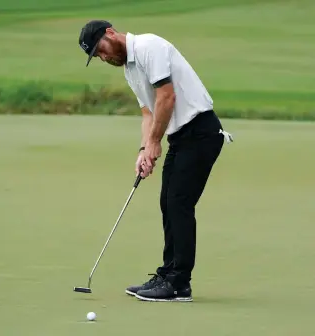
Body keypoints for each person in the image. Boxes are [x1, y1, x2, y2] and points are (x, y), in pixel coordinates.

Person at [78, 20, 233, 302]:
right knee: (168, 202)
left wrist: (154, 142)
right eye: (97, 57)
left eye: (101, 49)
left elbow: (166, 97)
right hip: (180, 138)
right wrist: (143, 149)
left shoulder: (150, 47)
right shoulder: (130, 69)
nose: (104, 57)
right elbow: (148, 113)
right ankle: (167, 274)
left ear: (110, 34)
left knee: (179, 203)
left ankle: (179, 283)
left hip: (200, 132)